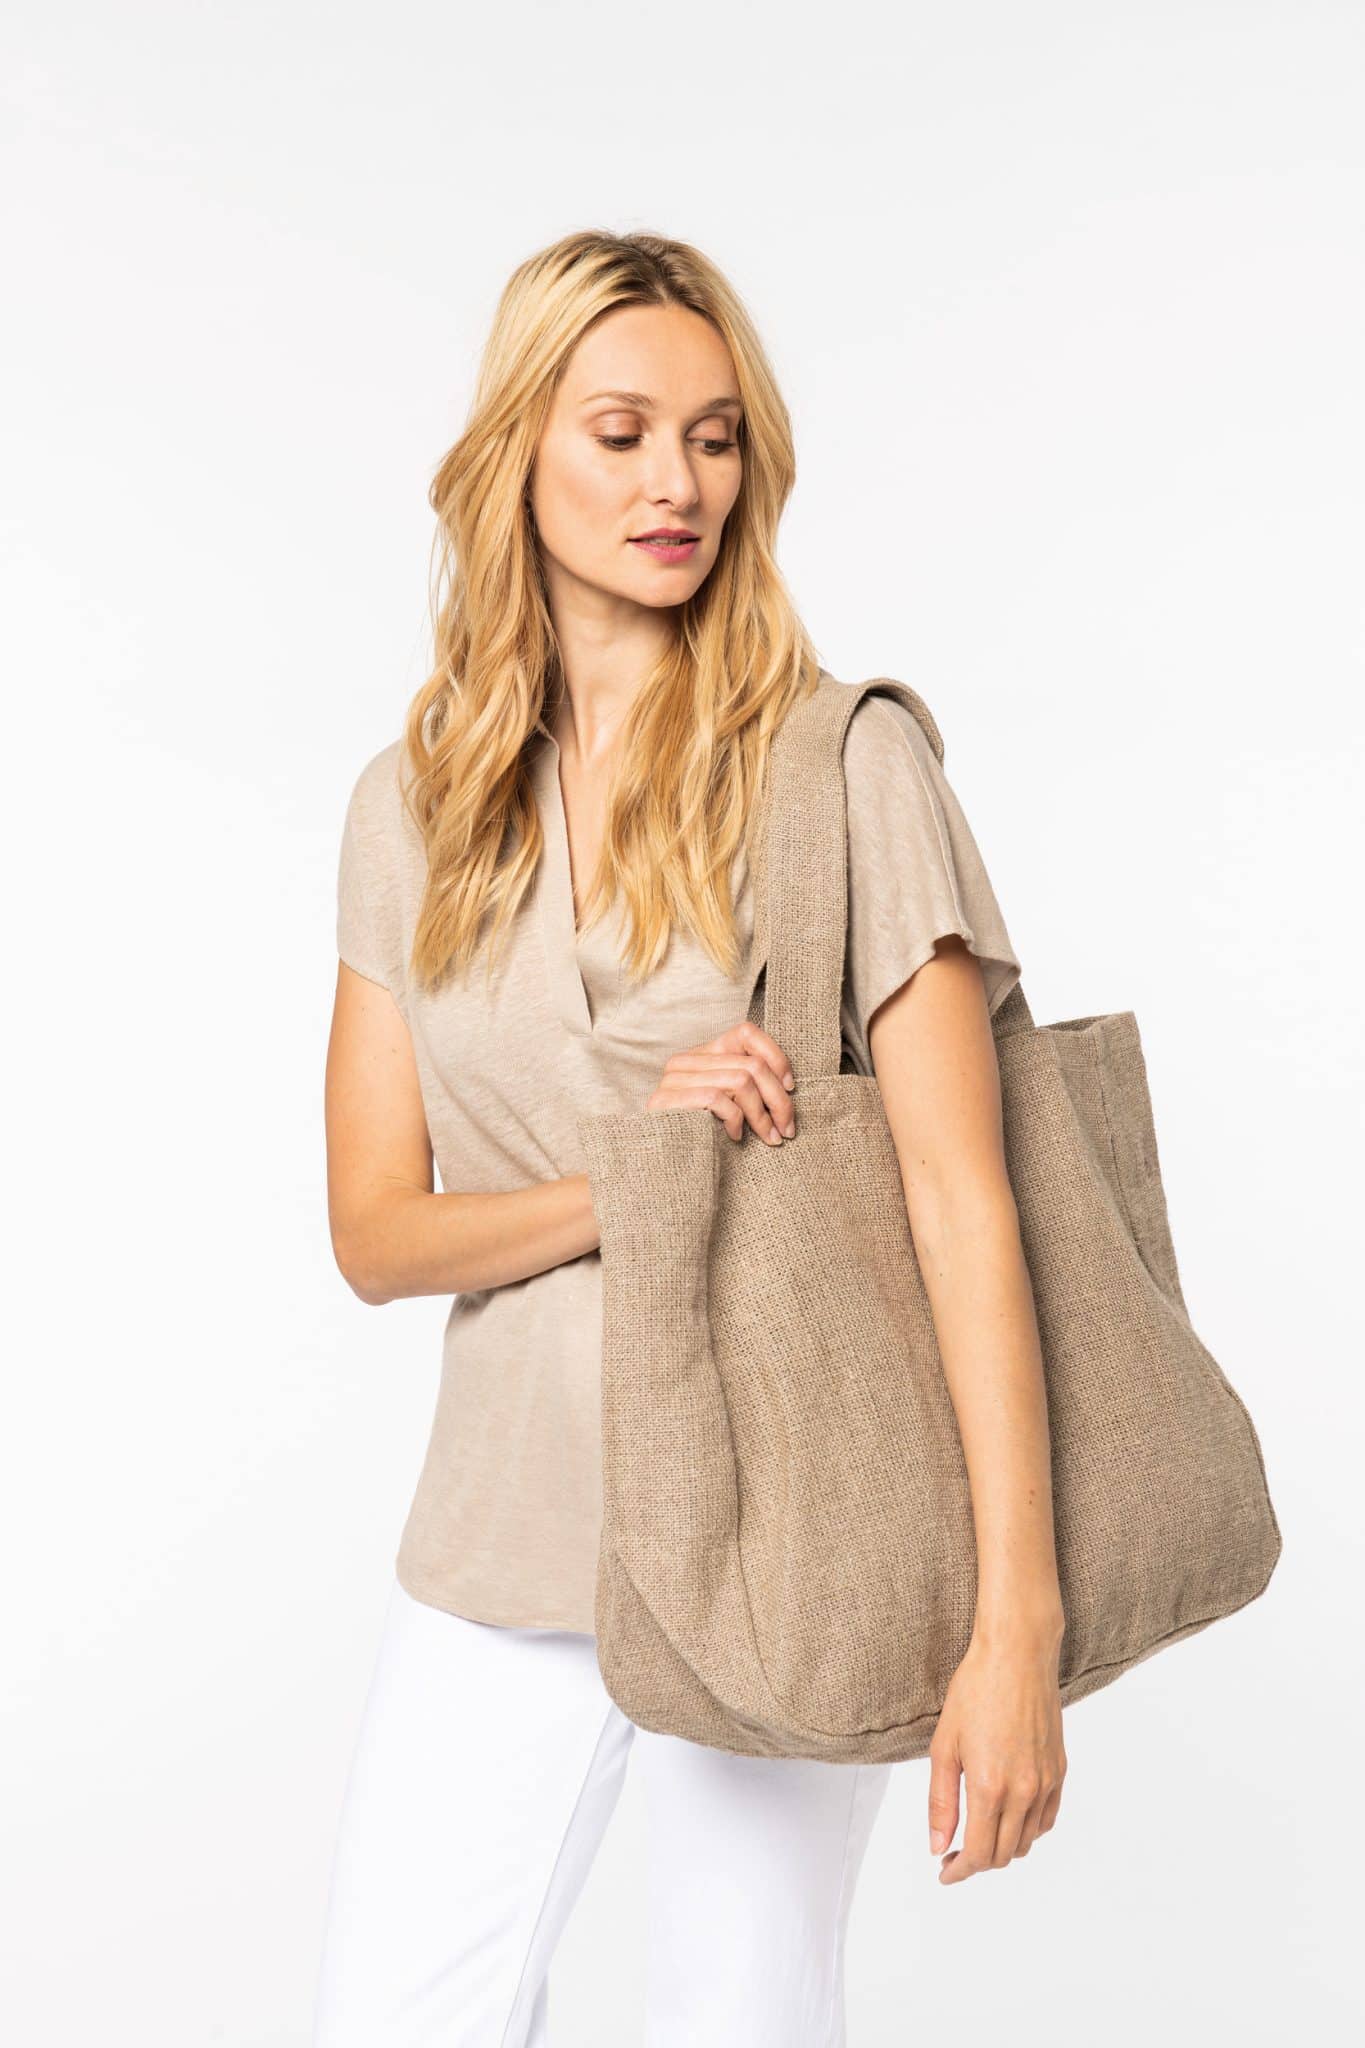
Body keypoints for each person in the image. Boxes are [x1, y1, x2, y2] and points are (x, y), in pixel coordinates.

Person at [315, 228, 1067, 2047]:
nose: (678, 484)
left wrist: (1017, 1627)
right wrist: (630, 1180)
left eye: (715, 438)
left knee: (745, 2019)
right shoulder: (414, 810)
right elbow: (375, 1233)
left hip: (789, 1513)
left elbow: (967, 1205)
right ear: (517, 452)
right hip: (506, 1529)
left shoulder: (841, 768)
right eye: (622, 432)